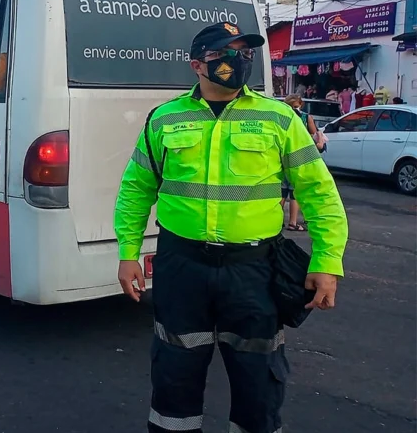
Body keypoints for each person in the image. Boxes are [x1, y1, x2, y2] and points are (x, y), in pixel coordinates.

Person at [114, 22, 348, 433]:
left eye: (244, 53)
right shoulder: (164, 119)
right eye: (223, 53)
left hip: (253, 270)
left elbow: (319, 193)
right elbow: (136, 189)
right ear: (196, 65)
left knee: (258, 383)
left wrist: (327, 261)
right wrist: (127, 253)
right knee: (174, 375)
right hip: (181, 266)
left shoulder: (279, 118)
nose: (236, 61)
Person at [281, 94, 327, 232]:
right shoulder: (305, 118)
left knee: (283, 191)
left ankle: (278, 222)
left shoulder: (282, 117)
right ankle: (292, 222)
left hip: (285, 157)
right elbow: (315, 137)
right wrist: (319, 145)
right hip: (299, 158)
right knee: (292, 191)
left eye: (295, 106)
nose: (294, 109)